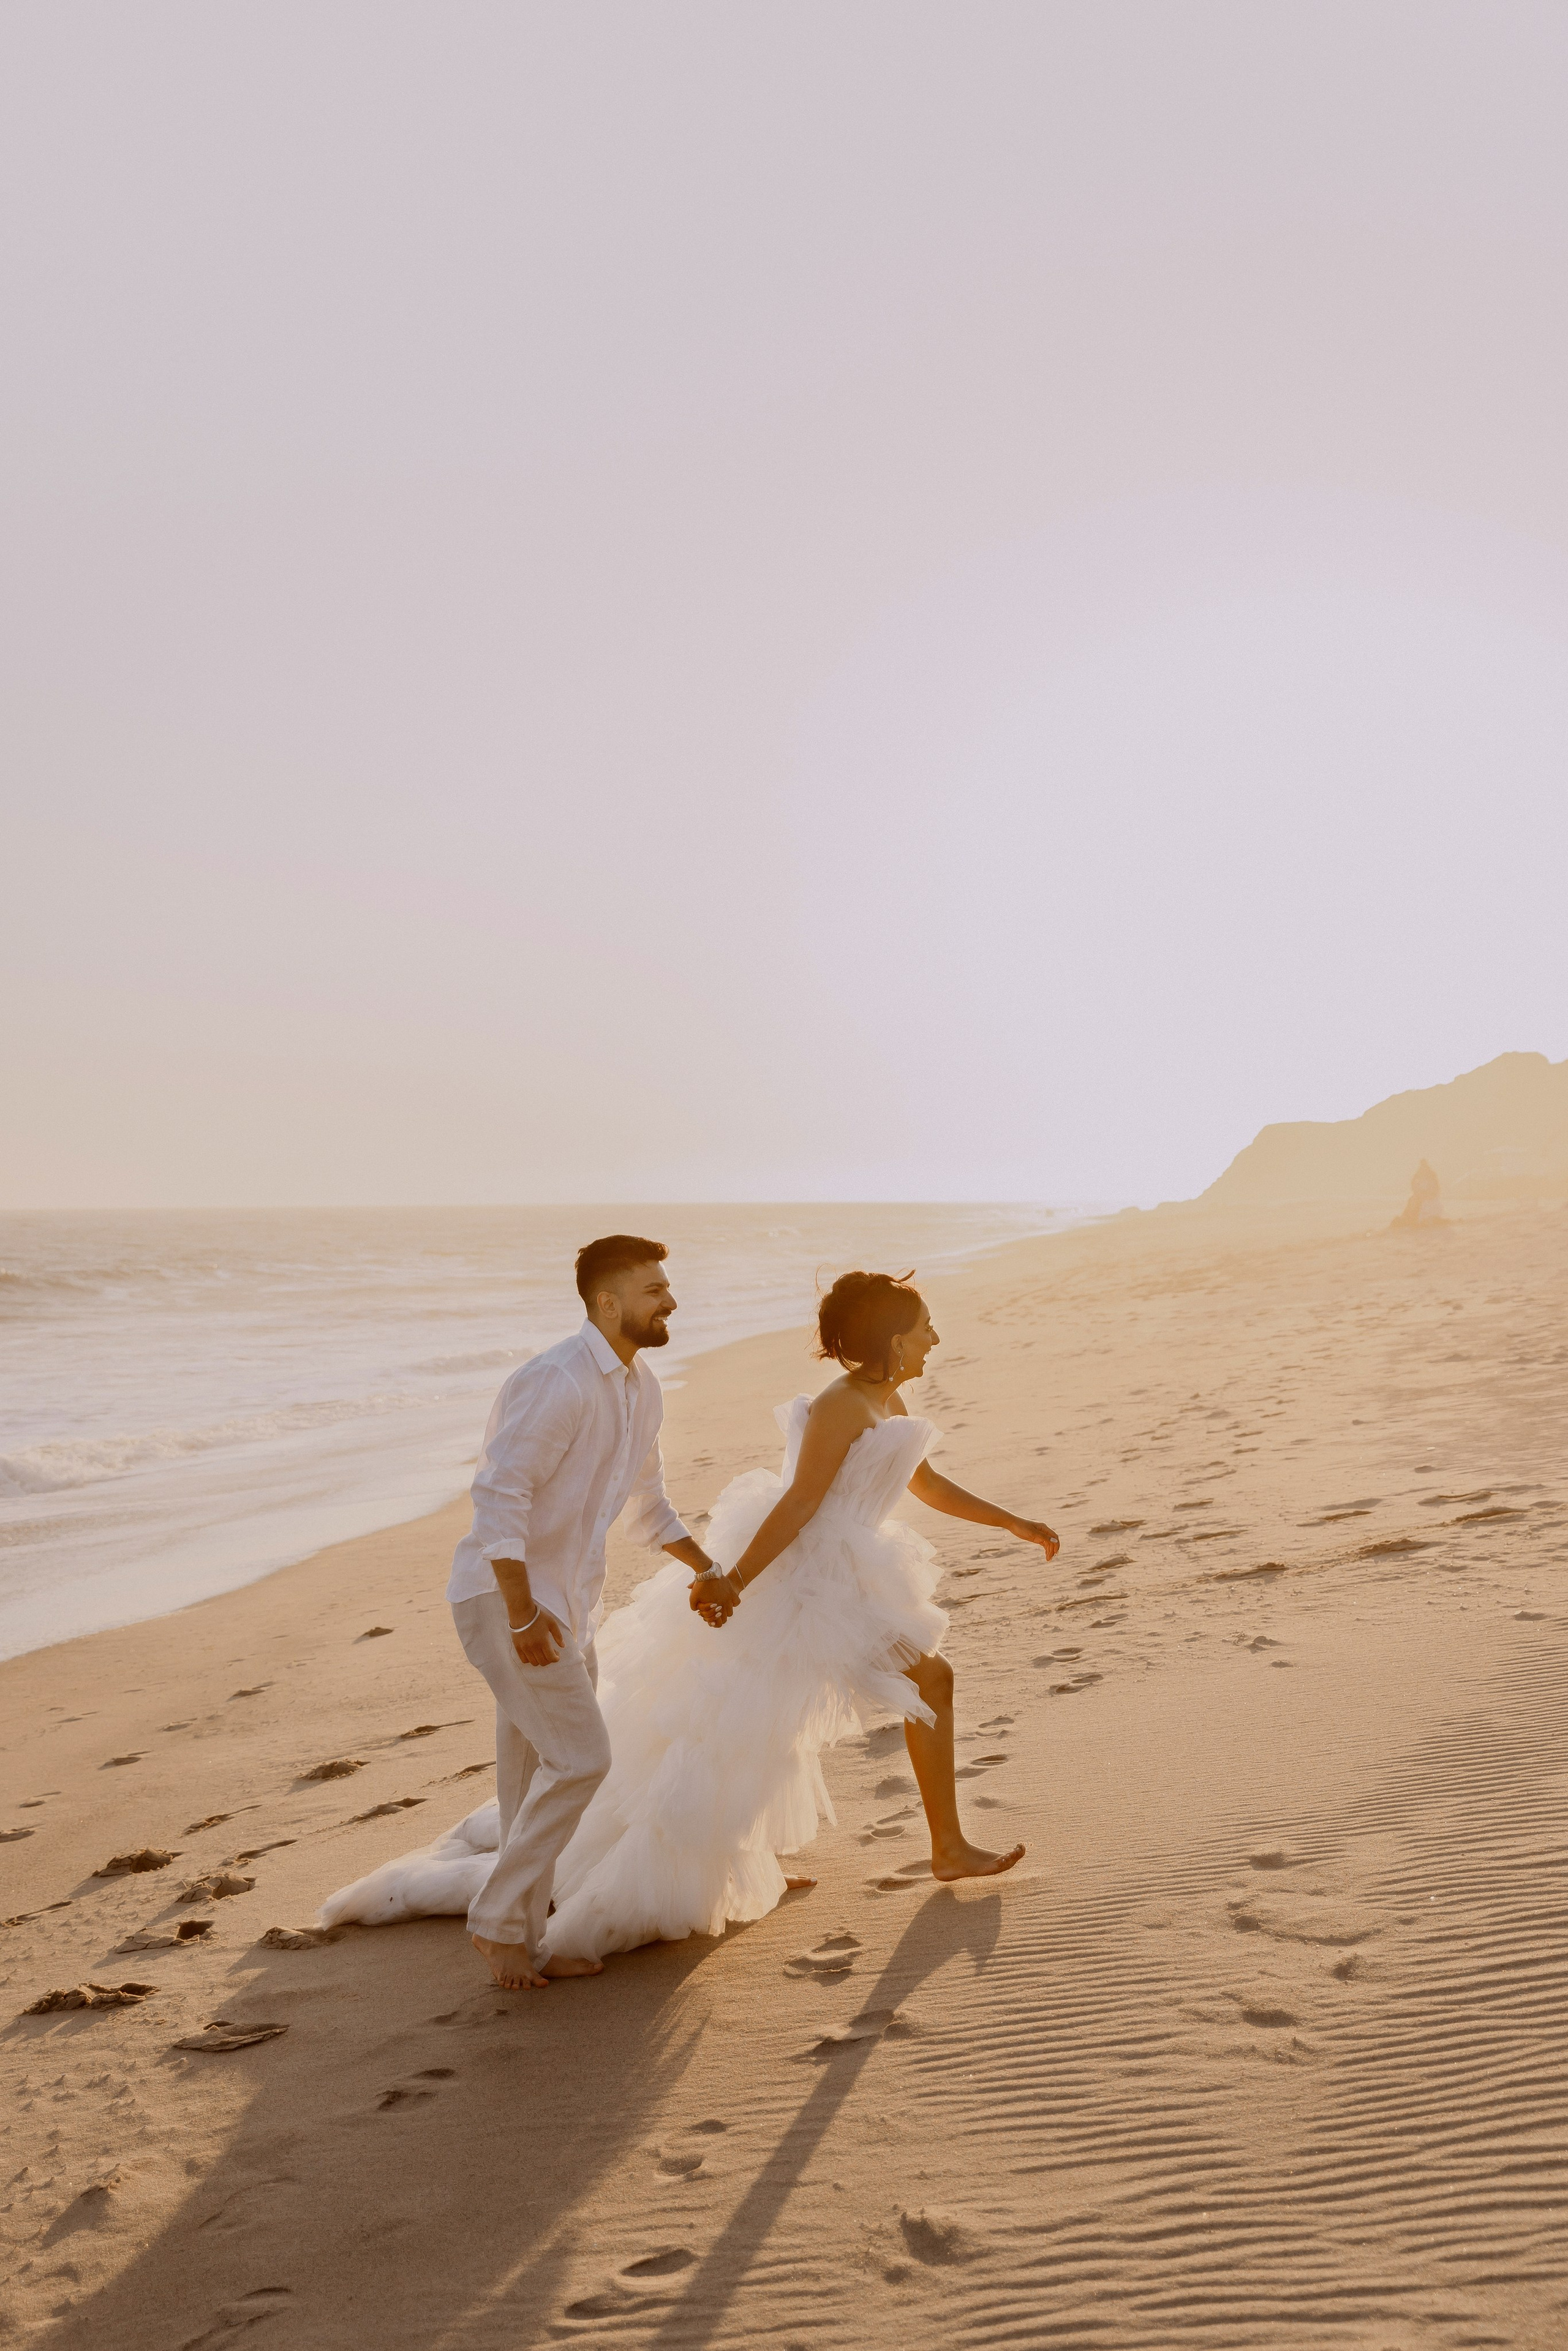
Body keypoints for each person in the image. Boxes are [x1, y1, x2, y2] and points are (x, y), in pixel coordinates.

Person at [322, 1269, 1060, 1970]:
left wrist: (1013, 1522)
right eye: (925, 1328)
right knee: (822, 1704)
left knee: (778, 1719)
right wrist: (732, 1579)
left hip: (844, 1573)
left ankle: (907, 1845)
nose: (934, 1339)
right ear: (892, 1339)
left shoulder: (887, 1400)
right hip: (808, 1580)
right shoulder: (841, 1404)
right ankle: (941, 1845)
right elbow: (798, 1505)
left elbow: (922, 1481)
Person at [438, 1234, 717, 1991]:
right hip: (511, 1602)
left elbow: (647, 1504)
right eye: (655, 1289)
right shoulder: (556, 1380)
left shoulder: (641, 1388)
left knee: (530, 1775)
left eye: (667, 1286)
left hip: (567, 1605)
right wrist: (524, 1614)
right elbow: (499, 1496)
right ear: (607, 1302)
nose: (670, 1300)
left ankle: (524, 1940)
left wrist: (710, 1569)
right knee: (583, 1759)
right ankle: (498, 1921)